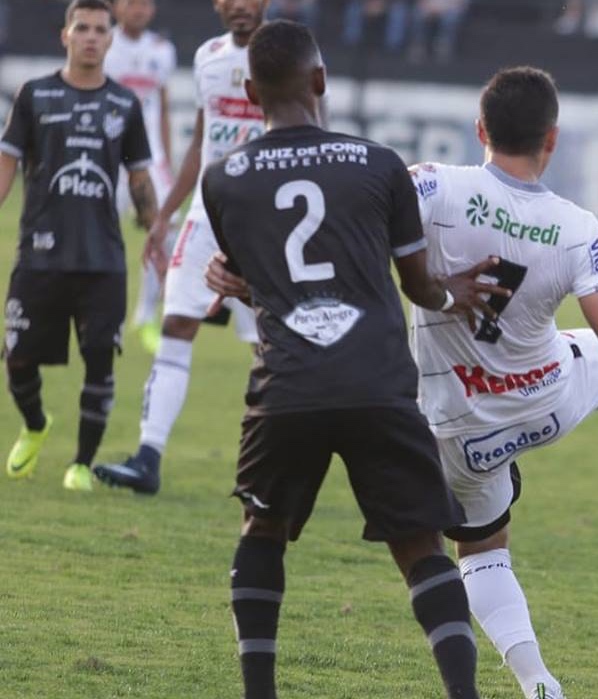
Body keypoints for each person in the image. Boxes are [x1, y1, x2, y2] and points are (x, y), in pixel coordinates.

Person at [207, 65, 598, 699]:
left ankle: (538, 681)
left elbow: (336, 242)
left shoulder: (428, 185)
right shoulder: (575, 226)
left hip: (456, 428)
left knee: (479, 550)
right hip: (549, 397)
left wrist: (250, 275)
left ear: (479, 129)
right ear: (551, 139)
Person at [200, 19, 508, 699]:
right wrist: (453, 292)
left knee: (263, 529)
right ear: (320, 80)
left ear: (249, 92)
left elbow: (269, 281)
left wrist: (239, 283)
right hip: (377, 381)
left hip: (288, 385)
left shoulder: (223, 179)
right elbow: (418, 286)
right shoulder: (379, 163)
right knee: (421, 545)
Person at [93, 0, 270, 495]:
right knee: (176, 324)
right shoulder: (207, 56)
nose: (240, 5)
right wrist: (164, 214)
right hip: (206, 215)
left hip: (265, 221)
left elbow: (310, 130)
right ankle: (147, 458)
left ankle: (275, 470)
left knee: (270, 346)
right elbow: (201, 143)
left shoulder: (288, 51)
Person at [1, 0, 155, 491]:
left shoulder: (124, 104)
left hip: (103, 259)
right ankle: (36, 424)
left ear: (111, 39)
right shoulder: (35, 95)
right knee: (17, 359)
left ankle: (82, 465)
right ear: (65, 35)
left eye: (99, 30)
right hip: (40, 254)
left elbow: (140, 178)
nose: (91, 37)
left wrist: (155, 230)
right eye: (82, 28)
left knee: (100, 360)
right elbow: (7, 164)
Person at [104, 0, 177, 354]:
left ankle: (146, 316)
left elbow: (162, 107)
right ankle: (105, 316)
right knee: (101, 235)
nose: (139, 9)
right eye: (131, 2)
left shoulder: (162, 51)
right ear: (115, 7)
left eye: (145, 3)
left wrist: (168, 161)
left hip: (150, 158)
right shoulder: (102, 42)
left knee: (166, 232)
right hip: (108, 156)